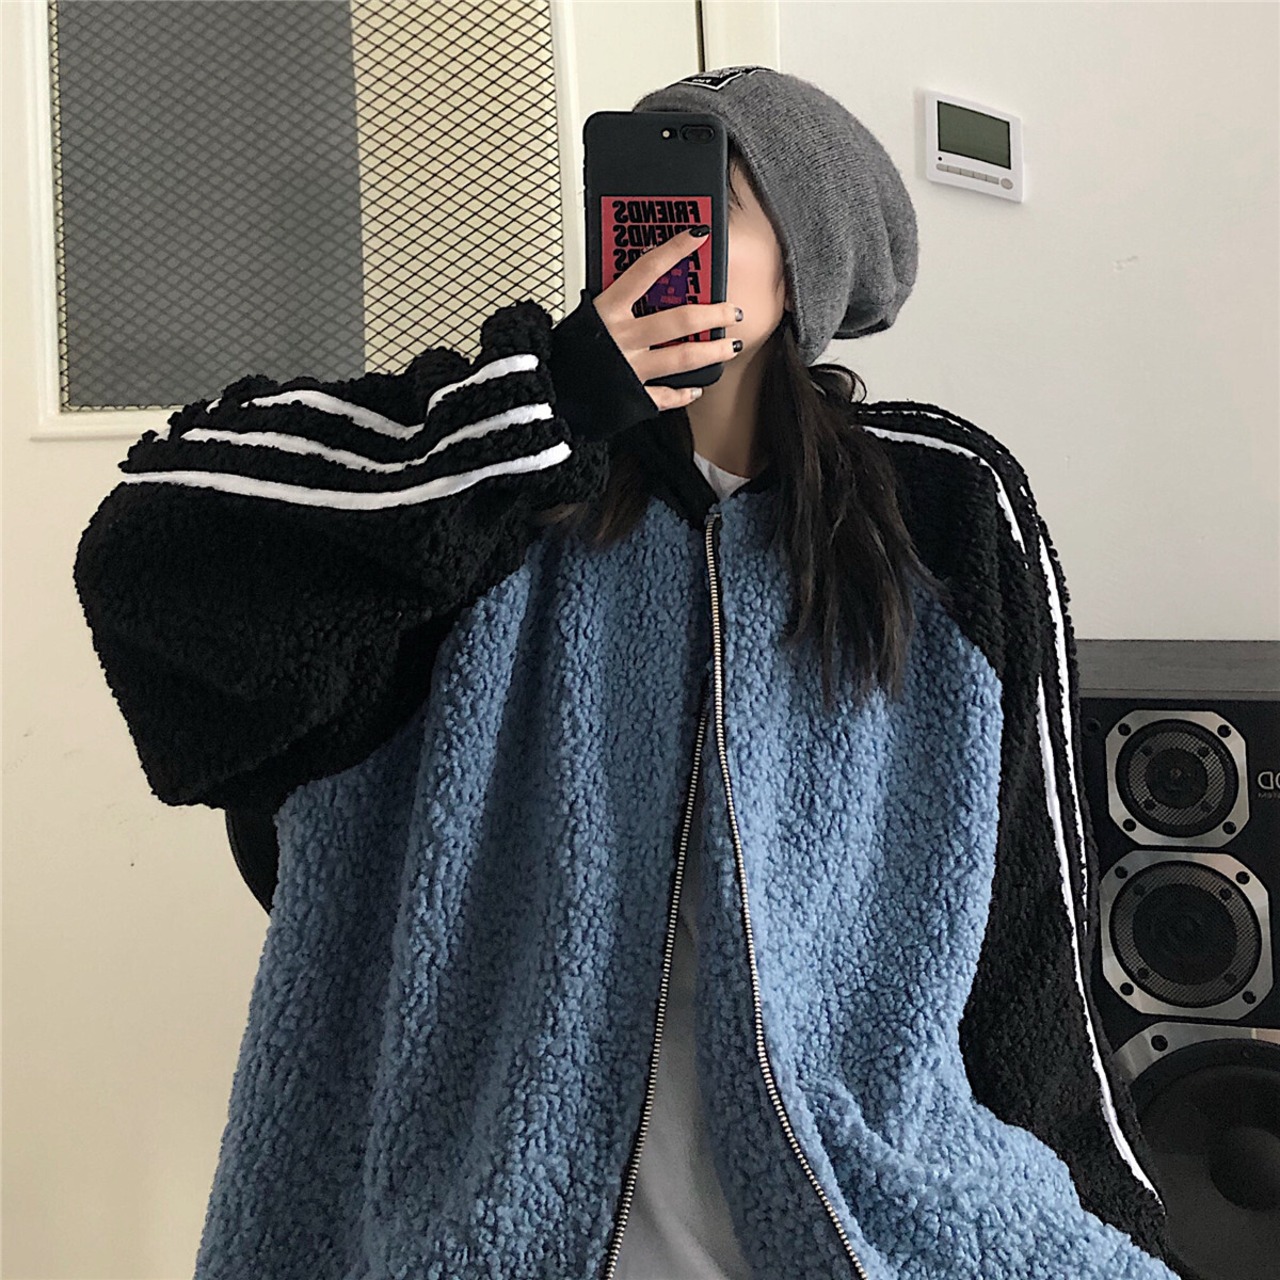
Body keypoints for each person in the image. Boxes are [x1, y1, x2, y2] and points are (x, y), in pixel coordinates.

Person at [73, 66, 1179, 1280]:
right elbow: (149, 551)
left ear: (805, 263)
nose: (668, 235)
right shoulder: (493, 483)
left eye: (714, 200)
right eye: (640, 196)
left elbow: (1030, 917)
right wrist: (548, 405)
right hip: (490, 1225)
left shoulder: (943, 509)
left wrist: (1111, 1220)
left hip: (858, 1218)